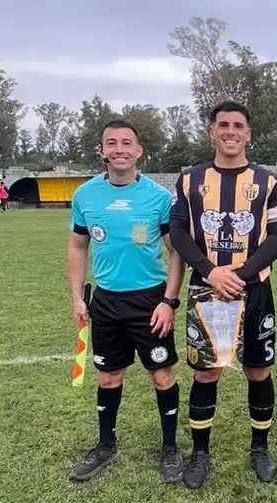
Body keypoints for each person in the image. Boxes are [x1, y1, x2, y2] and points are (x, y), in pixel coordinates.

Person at [169, 101, 277, 489]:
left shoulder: (269, 182)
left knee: (258, 369)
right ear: (212, 132)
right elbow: (179, 234)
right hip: (209, 291)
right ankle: (200, 454)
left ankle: (260, 448)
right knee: (208, 371)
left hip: (252, 289)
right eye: (223, 125)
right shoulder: (190, 180)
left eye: (238, 125)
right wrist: (210, 271)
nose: (231, 131)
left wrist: (239, 273)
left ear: (248, 133)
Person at [67, 119, 186, 484]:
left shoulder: (159, 197)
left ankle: (170, 448)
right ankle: (106, 445)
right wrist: (77, 297)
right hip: (106, 302)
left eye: (126, 143)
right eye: (111, 143)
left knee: (162, 375)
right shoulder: (85, 196)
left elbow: (176, 252)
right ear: (101, 150)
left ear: (138, 151)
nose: (119, 149)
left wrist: (170, 300)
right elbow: (77, 245)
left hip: (150, 301)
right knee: (108, 375)